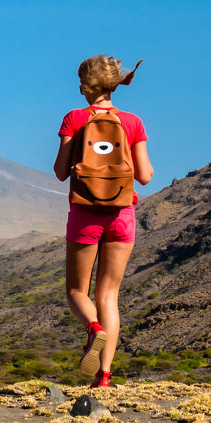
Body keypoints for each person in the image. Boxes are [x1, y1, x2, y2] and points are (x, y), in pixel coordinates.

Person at [52, 55, 154, 388]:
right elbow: (146, 177)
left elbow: (59, 172)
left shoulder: (75, 118)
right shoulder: (133, 122)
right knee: (108, 295)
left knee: (76, 291)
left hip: (84, 215)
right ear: (113, 84)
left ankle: (93, 329)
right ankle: (105, 376)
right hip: (122, 215)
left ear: (85, 86)